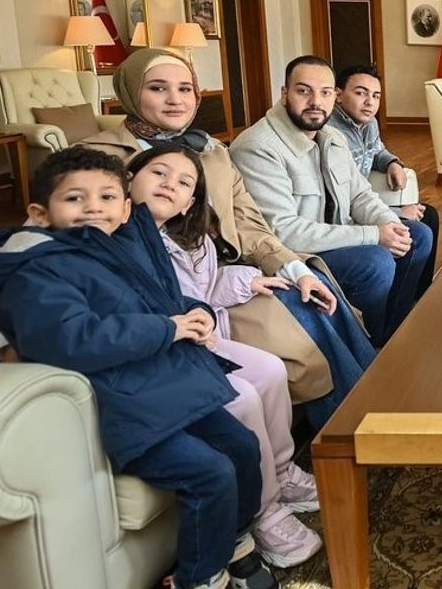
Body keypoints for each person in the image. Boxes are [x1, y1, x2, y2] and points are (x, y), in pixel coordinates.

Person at [0, 147, 277, 589]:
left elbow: (152, 300)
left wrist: (196, 312)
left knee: (242, 445)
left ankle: (235, 540)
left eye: (107, 197)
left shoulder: (117, 248)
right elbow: (71, 339)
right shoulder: (36, 272)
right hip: (118, 407)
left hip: (159, 387)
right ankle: (201, 577)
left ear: (126, 207)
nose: (93, 207)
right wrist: (167, 328)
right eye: (74, 198)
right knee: (209, 472)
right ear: (40, 214)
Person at [80, 48, 376, 429]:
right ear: (131, 91)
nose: (175, 99)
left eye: (185, 89)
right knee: (304, 322)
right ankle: (349, 429)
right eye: (158, 88)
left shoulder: (212, 150)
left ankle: (376, 401)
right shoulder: (95, 157)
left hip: (236, 268)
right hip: (180, 290)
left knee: (315, 287)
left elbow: (249, 222)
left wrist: (293, 267)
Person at [127, 145, 322, 569]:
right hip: (168, 349)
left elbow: (206, 287)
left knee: (270, 369)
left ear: (189, 203)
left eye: (184, 183)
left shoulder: (191, 241)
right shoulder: (122, 239)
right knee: (242, 397)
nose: (170, 184)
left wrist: (249, 280)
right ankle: (265, 510)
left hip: (202, 339)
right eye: (158, 173)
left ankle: (282, 471)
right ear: (129, 178)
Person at [230, 55, 433, 348]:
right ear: (285, 94)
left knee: (417, 235)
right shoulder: (258, 147)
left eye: (324, 92)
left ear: (333, 96)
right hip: (295, 255)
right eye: (304, 91)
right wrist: (373, 235)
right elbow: (282, 232)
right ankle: (368, 346)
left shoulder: (332, 137)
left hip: (334, 238)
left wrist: (389, 223)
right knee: (375, 262)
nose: (316, 101)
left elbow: (360, 194)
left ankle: (389, 334)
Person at [328, 63, 440, 297]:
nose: (369, 102)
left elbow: (377, 151)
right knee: (417, 232)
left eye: (375, 96)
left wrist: (392, 163)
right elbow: (340, 203)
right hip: (346, 215)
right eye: (361, 93)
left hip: (364, 202)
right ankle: (402, 305)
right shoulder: (330, 134)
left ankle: (420, 295)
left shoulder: (370, 124)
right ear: (338, 95)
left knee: (429, 215)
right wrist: (397, 213)